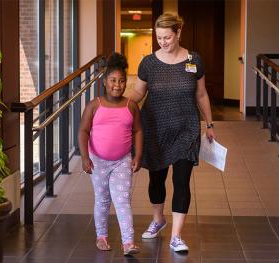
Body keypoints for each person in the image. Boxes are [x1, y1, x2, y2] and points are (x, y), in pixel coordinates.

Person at [131, 13, 215, 252]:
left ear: (178, 33)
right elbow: (138, 93)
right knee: (156, 180)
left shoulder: (194, 60)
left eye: (167, 37)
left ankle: (176, 236)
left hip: (186, 129)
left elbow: (201, 94)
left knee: (181, 181)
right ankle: (158, 220)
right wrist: (120, 106)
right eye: (159, 37)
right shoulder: (148, 63)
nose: (163, 42)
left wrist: (209, 124)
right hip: (155, 129)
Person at [78, 53, 143, 256]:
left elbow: (138, 131)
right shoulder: (94, 105)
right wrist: (85, 157)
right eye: (113, 80)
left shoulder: (130, 106)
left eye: (122, 81)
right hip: (97, 161)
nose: (118, 85)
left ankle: (128, 242)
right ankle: (102, 236)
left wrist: (137, 156)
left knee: (122, 200)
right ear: (105, 82)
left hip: (122, 161)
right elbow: (83, 131)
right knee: (103, 199)